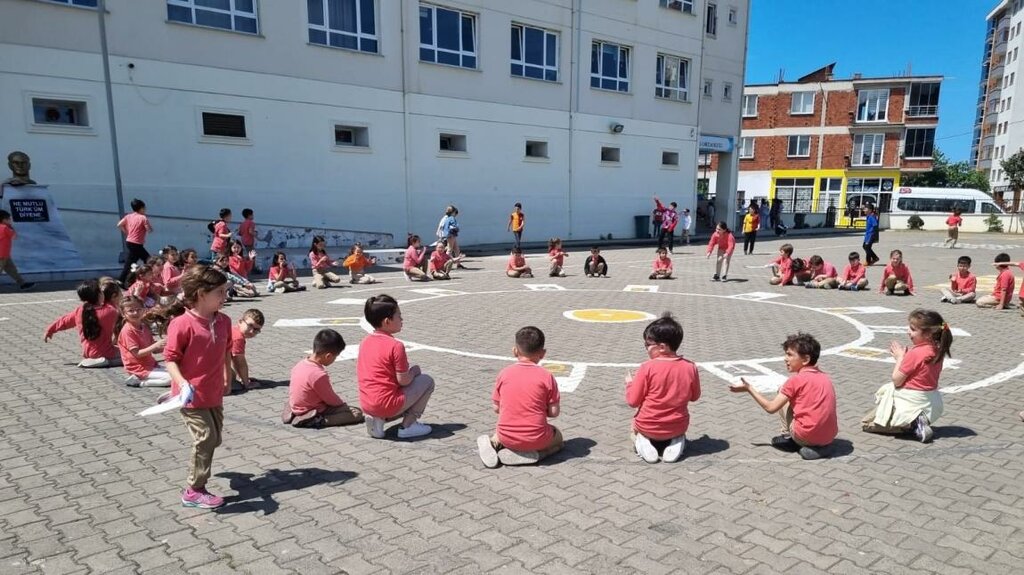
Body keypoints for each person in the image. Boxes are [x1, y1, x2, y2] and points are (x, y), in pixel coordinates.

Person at [164, 265, 233, 509]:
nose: (225, 297)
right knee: (206, 437)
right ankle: (194, 490)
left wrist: (228, 375)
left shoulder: (224, 321)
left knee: (215, 440)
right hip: (190, 397)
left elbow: (226, 350)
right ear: (202, 294)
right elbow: (170, 359)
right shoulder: (181, 324)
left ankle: (201, 484)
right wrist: (182, 383)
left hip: (213, 393)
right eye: (220, 292)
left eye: (226, 291)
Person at [729, 333, 837, 460]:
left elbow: (770, 408)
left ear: (805, 359)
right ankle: (822, 446)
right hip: (830, 435)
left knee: (783, 395)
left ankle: (790, 439)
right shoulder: (825, 377)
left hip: (806, 435)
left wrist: (749, 388)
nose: (785, 358)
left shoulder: (796, 380)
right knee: (786, 392)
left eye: (790, 355)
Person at [477, 326, 563, 468]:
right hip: (536, 438)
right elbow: (554, 412)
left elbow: (496, 408)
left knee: (502, 430)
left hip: (506, 437)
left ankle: (493, 443)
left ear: (515, 351)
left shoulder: (504, 373)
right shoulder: (546, 376)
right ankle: (538, 454)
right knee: (558, 437)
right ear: (543, 353)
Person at [862, 309, 951, 443]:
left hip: (909, 401)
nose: (908, 332)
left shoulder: (915, 353)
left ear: (928, 334)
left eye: (913, 329)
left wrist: (900, 358)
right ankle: (916, 421)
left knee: (866, 424)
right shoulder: (937, 350)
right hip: (930, 402)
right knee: (877, 416)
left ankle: (912, 424)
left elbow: (897, 381)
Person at [625, 314, 700, 463]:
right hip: (678, 426)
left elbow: (633, 401)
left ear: (662, 347)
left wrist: (629, 384)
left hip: (647, 426)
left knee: (633, 427)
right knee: (677, 430)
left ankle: (643, 441)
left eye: (648, 344)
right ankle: (677, 441)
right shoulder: (690, 367)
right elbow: (695, 396)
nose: (646, 348)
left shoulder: (647, 367)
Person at [358, 295, 435, 439]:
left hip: (367, 403)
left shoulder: (365, 342)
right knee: (427, 381)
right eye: (399, 316)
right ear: (387, 321)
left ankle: (378, 421)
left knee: (384, 390)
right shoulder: (395, 346)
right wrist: (414, 372)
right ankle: (408, 425)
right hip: (387, 404)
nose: (402, 320)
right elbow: (404, 380)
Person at [284, 329, 364, 429]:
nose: (334, 360)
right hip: (312, 409)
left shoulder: (299, 364)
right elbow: (331, 400)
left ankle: (293, 412)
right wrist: (343, 406)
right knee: (356, 413)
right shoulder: (318, 375)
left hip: (297, 405)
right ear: (328, 356)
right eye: (335, 357)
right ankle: (318, 420)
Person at [44, 279, 122, 368]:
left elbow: (64, 321)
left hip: (87, 352)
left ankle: (94, 360)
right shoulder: (110, 311)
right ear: (99, 295)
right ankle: (103, 361)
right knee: (132, 356)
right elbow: (118, 311)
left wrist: (50, 330)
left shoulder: (81, 310)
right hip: (106, 352)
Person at [117, 295, 170, 387]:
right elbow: (137, 353)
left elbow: (154, 349)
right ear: (123, 314)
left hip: (151, 365)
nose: (135, 313)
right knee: (171, 379)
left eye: (138, 309)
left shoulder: (144, 326)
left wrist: (167, 345)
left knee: (179, 373)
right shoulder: (127, 331)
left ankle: (142, 378)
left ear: (143, 310)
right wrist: (156, 345)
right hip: (138, 368)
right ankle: (141, 383)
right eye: (131, 311)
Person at [117, 198, 154, 286]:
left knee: (130, 262)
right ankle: (146, 278)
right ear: (141, 208)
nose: (145, 210)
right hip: (136, 244)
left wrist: (127, 232)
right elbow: (149, 230)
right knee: (149, 260)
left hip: (129, 241)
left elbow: (119, 225)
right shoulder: (143, 218)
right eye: (144, 208)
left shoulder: (129, 216)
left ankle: (121, 280)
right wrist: (149, 227)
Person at [230, 309, 264, 391]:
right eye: (250, 325)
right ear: (240, 322)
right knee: (231, 378)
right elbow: (240, 363)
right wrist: (247, 383)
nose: (252, 331)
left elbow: (235, 360)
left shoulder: (233, 330)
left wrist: (242, 377)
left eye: (256, 330)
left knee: (231, 374)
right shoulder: (238, 338)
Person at [0, 209, 34, 290]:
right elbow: (14, 236)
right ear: (4, 220)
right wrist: (11, 227)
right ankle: (22, 284)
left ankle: (23, 284)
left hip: (5, 255)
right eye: (9, 219)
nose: (10, 220)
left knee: (12, 270)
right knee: (11, 270)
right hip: (2, 255)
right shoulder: (5, 228)